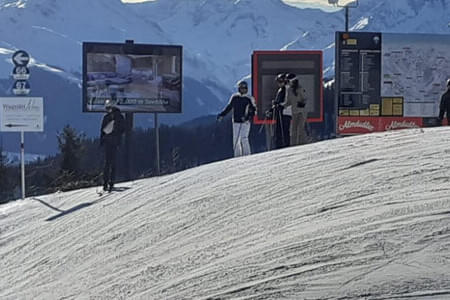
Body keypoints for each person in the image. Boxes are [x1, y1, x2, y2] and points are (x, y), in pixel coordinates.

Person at [217, 81, 256, 157]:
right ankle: (237, 156)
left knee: (244, 138)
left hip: (245, 122)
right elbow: (229, 107)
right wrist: (222, 115)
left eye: (244, 88)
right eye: (241, 88)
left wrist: (247, 117)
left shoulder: (249, 98)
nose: (243, 89)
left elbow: (254, 111)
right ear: (239, 89)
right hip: (235, 121)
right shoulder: (234, 97)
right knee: (236, 140)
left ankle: (247, 155)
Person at [100, 99, 125, 191]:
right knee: (113, 163)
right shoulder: (120, 117)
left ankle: (106, 183)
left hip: (109, 142)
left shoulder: (106, 117)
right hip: (115, 142)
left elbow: (102, 130)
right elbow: (123, 129)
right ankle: (110, 182)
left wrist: (102, 141)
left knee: (107, 163)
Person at [282, 75, 308, 145]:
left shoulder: (300, 88)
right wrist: (282, 106)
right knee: (293, 129)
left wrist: (302, 103)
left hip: (301, 112)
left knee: (300, 128)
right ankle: (293, 144)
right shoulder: (289, 90)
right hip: (294, 112)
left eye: (288, 81)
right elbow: (288, 101)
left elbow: (305, 98)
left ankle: (303, 143)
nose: (287, 83)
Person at [268, 73, 290, 149]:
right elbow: (277, 102)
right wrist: (271, 109)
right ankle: (279, 146)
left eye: (281, 81)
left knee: (284, 130)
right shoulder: (280, 90)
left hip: (286, 113)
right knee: (279, 131)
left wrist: (280, 105)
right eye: (278, 81)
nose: (279, 83)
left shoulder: (287, 89)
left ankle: (286, 145)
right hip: (280, 112)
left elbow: (287, 101)